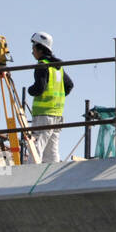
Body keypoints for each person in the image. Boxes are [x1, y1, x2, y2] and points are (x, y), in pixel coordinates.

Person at [25, 31, 74, 164]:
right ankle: (49, 181)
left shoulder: (42, 65)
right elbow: (69, 85)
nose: (32, 52)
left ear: (40, 49)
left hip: (43, 115)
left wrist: (30, 90)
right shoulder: (58, 68)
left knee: (36, 147)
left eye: (33, 48)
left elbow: (39, 88)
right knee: (51, 151)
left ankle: (30, 176)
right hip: (57, 115)